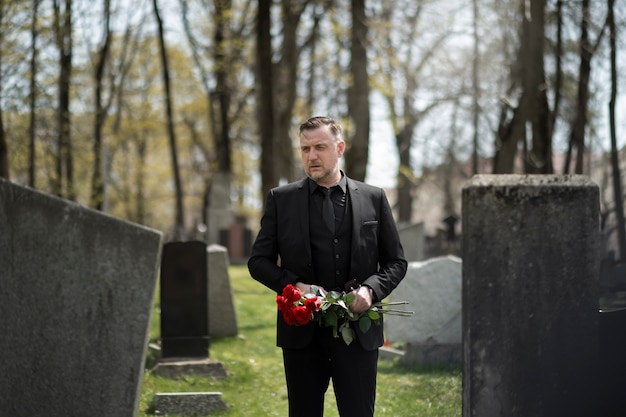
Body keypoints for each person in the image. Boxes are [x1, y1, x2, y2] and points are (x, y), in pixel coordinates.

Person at [248, 116, 407, 417]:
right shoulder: (280, 200)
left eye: (320, 147)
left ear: (340, 148)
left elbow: (396, 262)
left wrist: (371, 291)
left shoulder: (374, 198)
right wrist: (296, 286)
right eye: (305, 149)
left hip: (358, 333)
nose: (311, 156)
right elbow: (258, 262)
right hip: (302, 333)